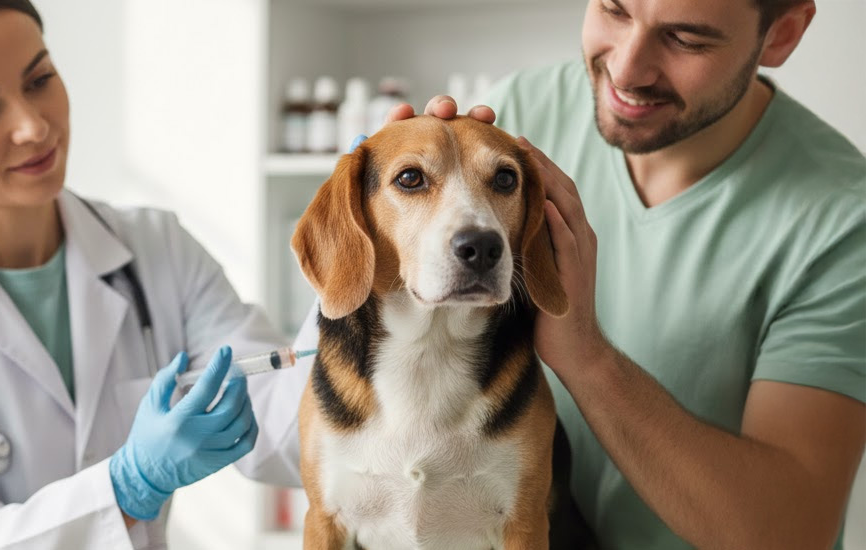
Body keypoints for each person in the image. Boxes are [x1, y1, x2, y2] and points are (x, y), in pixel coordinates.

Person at [358, 0, 864, 547]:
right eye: (614, 10)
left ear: (781, 34)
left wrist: (587, 357)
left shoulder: (842, 220)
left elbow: (793, 534)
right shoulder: (516, 116)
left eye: (687, 39)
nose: (625, 71)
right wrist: (380, 224)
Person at [0, 1, 309, 548]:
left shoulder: (157, 247)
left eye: (39, 79)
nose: (33, 127)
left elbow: (288, 429)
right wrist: (128, 487)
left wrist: (378, 244)